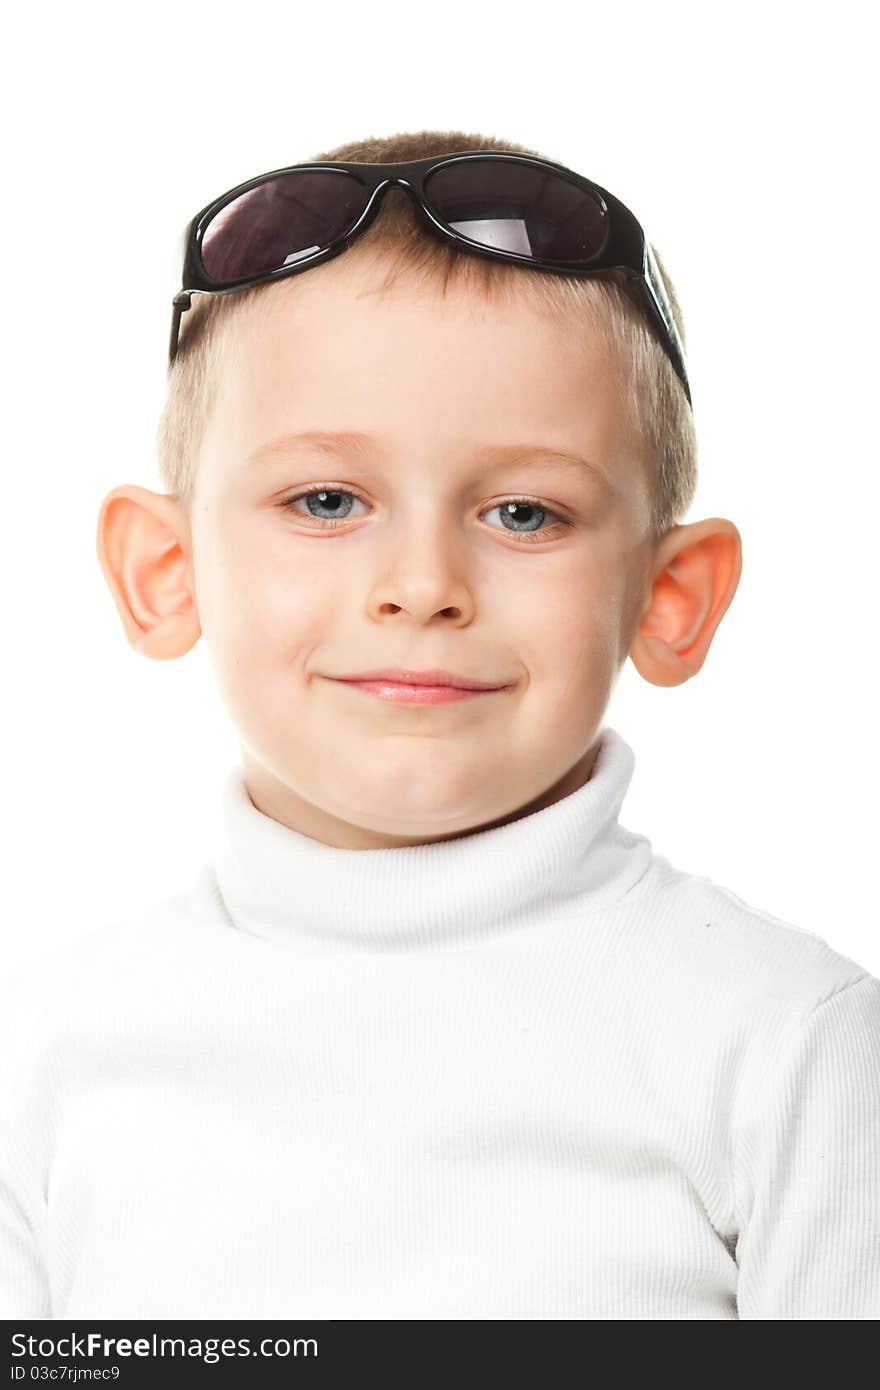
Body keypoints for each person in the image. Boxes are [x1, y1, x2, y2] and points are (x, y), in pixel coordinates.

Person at [1, 129, 877, 1321]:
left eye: (524, 511)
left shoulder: (792, 1050)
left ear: (669, 599)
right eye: (325, 500)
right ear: (165, 570)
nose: (421, 583)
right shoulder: (39, 1059)